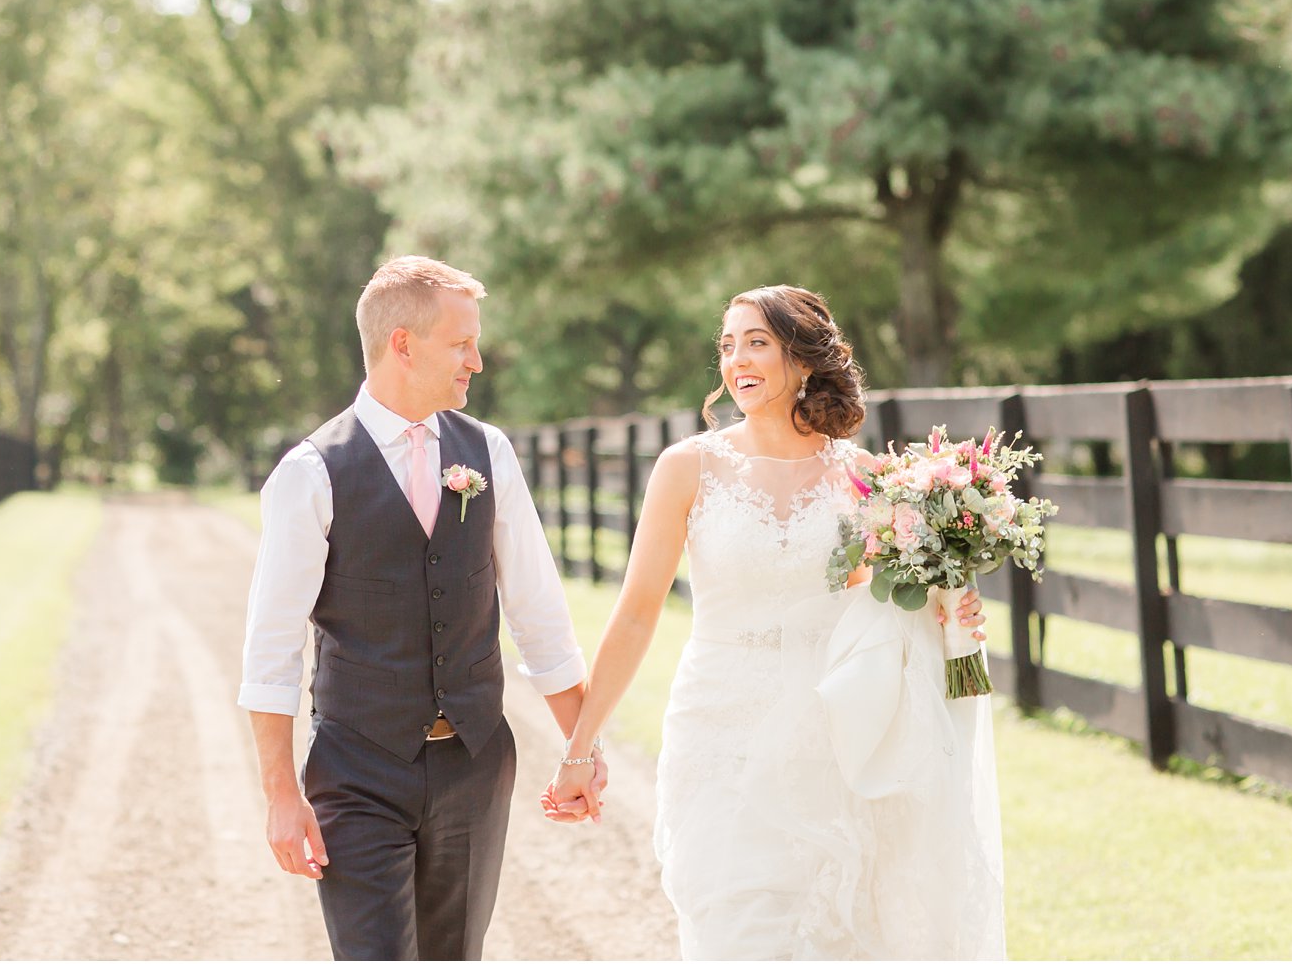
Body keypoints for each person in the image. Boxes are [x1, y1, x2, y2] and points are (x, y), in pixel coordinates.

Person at [544, 285, 1007, 959]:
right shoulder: (688, 468)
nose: (736, 360)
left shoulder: (864, 478)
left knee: (836, 931)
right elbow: (638, 613)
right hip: (719, 728)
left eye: (756, 341)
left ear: (803, 358)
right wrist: (579, 749)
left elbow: (881, 611)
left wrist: (947, 609)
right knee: (733, 924)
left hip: (830, 732)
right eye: (727, 345)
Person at [239, 256, 601, 961]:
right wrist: (283, 797)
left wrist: (581, 749)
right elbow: (271, 652)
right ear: (403, 343)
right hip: (359, 770)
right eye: (462, 342)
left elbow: (540, 618)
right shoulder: (309, 474)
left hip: (474, 765)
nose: (478, 360)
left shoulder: (487, 452)